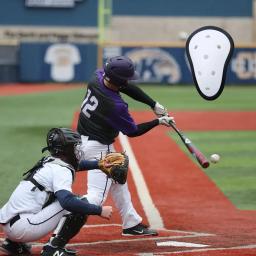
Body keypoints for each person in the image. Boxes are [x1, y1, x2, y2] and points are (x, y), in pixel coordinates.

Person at [77, 55, 174, 236]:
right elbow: (132, 131)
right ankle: (61, 216)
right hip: (99, 147)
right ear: (120, 81)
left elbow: (125, 86)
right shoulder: (115, 105)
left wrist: (152, 103)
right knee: (95, 198)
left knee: (118, 181)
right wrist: (158, 121)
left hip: (82, 140)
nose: (128, 81)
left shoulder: (97, 77)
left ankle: (131, 223)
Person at [0, 128, 113, 256]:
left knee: (53, 197)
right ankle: (53, 248)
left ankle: (13, 245)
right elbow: (67, 202)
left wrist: (99, 164)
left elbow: (76, 166)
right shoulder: (61, 171)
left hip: (10, 225)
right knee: (76, 203)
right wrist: (99, 210)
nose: (79, 149)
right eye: (76, 146)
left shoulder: (50, 161)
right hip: (23, 228)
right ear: (67, 149)